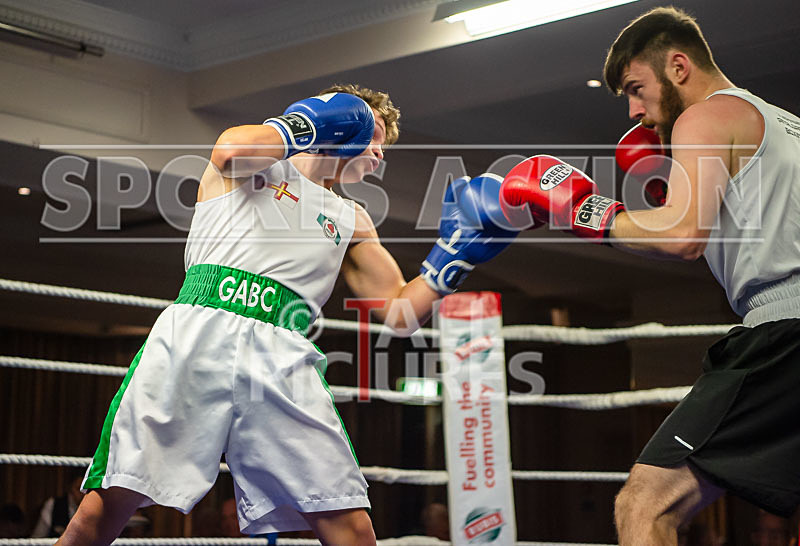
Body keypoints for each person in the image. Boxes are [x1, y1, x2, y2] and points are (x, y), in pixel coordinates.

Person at [56, 84, 515, 546]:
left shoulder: (352, 217)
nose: (379, 152)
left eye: (384, 146)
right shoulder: (253, 166)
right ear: (339, 124)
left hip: (282, 354)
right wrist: (307, 126)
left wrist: (451, 260)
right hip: (200, 330)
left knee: (350, 525)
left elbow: (399, 313)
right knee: (109, 506)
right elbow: (232, 149)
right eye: (373, 135)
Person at [497, 6, 800, 545]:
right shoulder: (783, 123)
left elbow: (683, 236)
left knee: (645, 504)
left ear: (679, 66)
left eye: (637, 88)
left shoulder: (703, 117)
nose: (636, 111)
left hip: (785, 333)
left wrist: (586, 212)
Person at [31, 472, 84, 537]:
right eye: (78, 488)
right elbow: (38, 538)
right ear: (70, 487)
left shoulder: (93, 509)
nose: (83, 493)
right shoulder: (52, 505)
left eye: (86, 490)